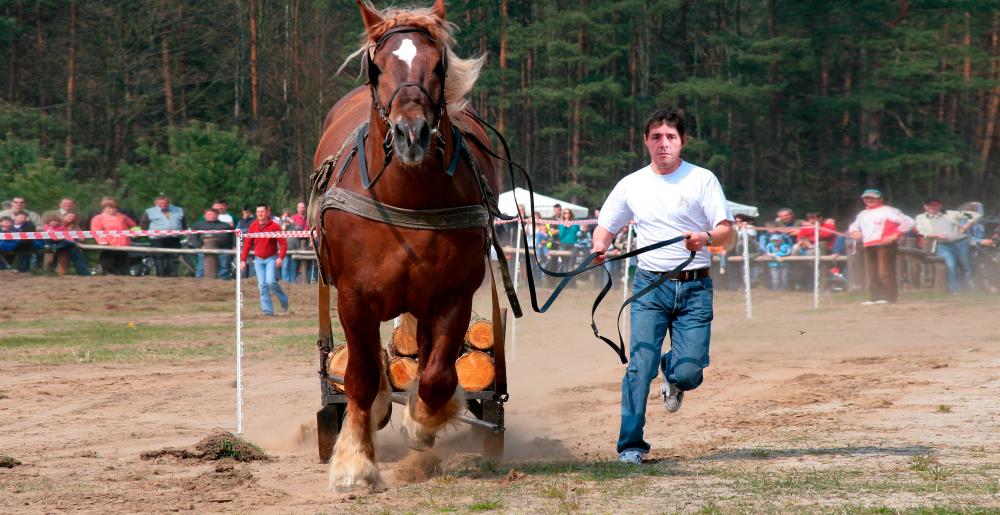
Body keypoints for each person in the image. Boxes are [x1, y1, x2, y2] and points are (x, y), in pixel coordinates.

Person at [590, 108, 734, 465]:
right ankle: (631, 446)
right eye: (656, 137)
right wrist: (600, 244)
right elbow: (606, 224)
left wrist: (706, 237)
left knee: (689, 372)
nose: (663, 144)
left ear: (682, 141)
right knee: (640, 365)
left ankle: (674, 377)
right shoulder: (631, 184)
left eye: (670, 137)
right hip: (650, 287)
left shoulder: (702, 179)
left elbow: (727, 231)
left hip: (695, 288)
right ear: (645, 141)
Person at [848, 189, 915, 304]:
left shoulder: (888, 211)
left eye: (872, 197)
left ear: (880, 199)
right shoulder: (863, 214)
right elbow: (854, 226)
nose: (869, 200)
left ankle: (889, 297)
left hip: (885, 244)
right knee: (872, 272)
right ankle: (875, 297)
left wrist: (895, 235)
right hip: (869, 244)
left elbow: (909, 222)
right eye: (866, 198)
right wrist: (854, 232)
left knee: (885, 271)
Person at [914, 198, 979, 294]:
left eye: (935, 205)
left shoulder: (950, 213)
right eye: (930, 205)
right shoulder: (921, 218)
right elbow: (921, 231)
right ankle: (955, 291)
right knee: (951, 266)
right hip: (943, 245)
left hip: (960, 242)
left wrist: (965, 226)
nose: (932, 207)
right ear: (925, 206)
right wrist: (936, 235)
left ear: (940, 206)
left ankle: (971, 289)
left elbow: (975, 215)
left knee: (966, 266)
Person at [240, 204, 289, 316]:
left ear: (267, 212)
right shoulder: (253, 226)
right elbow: (247, 244)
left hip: (271, 259)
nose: (260, 214)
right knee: (262, 285)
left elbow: (283, 244)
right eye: (258, 212)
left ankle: (284, 300)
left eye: (262, 211)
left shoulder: (275, 226)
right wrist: (243, 260)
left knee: (270, 281)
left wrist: (280, 258)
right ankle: (267, 311)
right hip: (258, 260)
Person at [140, 195, 186, 277]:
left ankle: (173, 275)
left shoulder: (179, 210)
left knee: (174, 256)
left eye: (165, 203)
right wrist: (147, 233)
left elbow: (183, 222)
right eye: (160, 203)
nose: (163, 205)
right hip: (157, 238)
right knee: (158, 256)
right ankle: (160, 275)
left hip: (174, 237)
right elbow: (143, 223)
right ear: (156, 203)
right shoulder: (149, 211)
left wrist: (182, 232)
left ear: (169, 203)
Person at [89, 198, 137, 275]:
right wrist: (102, 242)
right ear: (104, 208)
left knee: (122, 264)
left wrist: (135, 232)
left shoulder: (122, 216)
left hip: (123, 244)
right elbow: (96, 231)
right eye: (109, 208)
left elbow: (133, 225)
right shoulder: (98, 218)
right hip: (108, 245)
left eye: (114, 208)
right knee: (108, 264)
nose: (112, 210)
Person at [189, 208, 235, 279]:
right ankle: (199, 279)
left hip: (222, 249)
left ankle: (223, 280)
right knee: (202, 266)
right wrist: (199, 246)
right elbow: (194, 237)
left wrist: (231, 247)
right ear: (205, 215)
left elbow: (231, 238)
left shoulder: (225, 226)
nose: (212, 216)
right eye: (209, 214)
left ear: (217, 215)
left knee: (224, 265)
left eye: (214, 214)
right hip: (203, 249)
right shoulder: (197, 225)